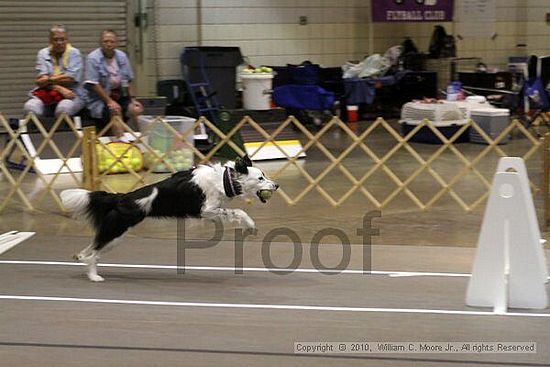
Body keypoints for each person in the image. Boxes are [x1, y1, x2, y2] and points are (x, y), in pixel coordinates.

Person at [84, 29, 143, 138]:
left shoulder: (122, 56)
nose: (109, 44)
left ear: (116, 43)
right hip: (100, 99)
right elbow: (93, 84)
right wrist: (109, 101)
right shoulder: (92, 58)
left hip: (120, 94)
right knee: (115, 110)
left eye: (111, 41)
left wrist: (133, 99)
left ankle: (143, 139)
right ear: (101, 43)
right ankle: (120, 143)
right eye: (105, 41)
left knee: (136, 109)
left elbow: (128, 79)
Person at [23, 24, 85, 119]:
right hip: (47, 92)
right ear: (50, 40)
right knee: (30, 107)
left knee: (63, 109)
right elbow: (41, 81)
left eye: (62, 39)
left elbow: (70, 79)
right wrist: (60, 88)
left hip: (72, 93)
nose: (59, 42)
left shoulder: (74, 53)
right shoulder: (43, 53)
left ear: (67, 40)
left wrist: (48, 79)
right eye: (56, 39)